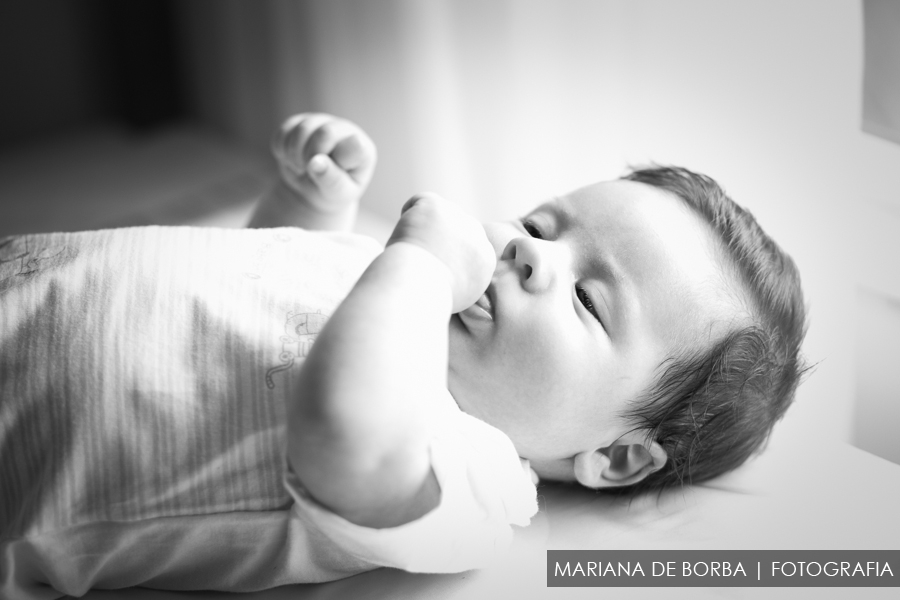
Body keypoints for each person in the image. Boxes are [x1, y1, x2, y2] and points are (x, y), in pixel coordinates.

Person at [0, 113, 806, 598]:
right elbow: (255, 305)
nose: (527, 254)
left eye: (588, 300)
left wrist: (416, 264)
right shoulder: (409, 295)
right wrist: (311, 208)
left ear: (621, 455)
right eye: (540, 225)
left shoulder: (471, 475)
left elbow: (340, 432)